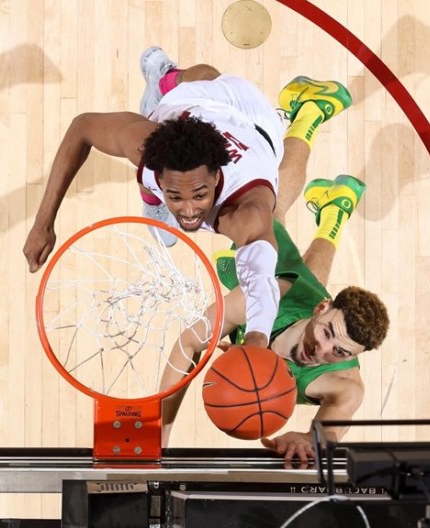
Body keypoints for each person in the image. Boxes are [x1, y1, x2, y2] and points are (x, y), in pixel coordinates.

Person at [22, 46, 353, 350]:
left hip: (256, 124)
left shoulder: (246, 209)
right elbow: (82, 128)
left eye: (199, 195)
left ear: (215, 176)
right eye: (175, 196)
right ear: (157, 171)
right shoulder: (143, 144)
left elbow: (260, 281)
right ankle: (165, 80)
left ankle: (306, 111)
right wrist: (43, 222)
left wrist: (256, 340)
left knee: (275, 196)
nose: (190, 210)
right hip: (193, 107)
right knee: (202, 79)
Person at [159, 173, 390, 466]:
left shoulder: (344, 387)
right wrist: (159, 430)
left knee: (313, 279)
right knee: (271, 209)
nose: (321, 350)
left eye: (340, 352)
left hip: (302, 301)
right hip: (279, 274)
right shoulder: (260, 296)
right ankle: (304, 140)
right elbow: (190, 342)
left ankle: (335, 211)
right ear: (321, 309)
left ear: (354, 356)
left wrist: (307, 440)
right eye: (327, 333)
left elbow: (326, 437)